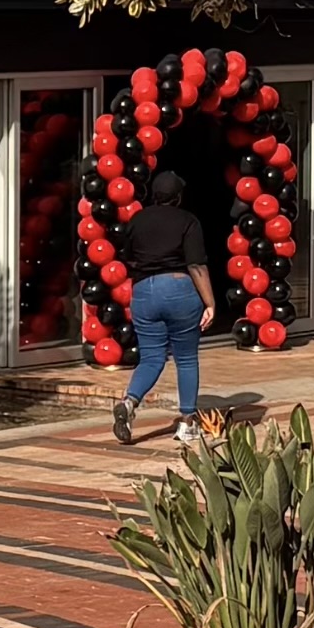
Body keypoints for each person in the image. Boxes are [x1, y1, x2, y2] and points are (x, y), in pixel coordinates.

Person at [111, 168, 216, 446]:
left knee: (151, 357)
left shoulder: (137, 220)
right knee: (186, 358)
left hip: (144, 292)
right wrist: (210, 302)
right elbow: (196, 265)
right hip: (179, 289)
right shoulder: (188, 221)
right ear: (178, 197)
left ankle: (129, 402)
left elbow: (128, 258)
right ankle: (187, 423)